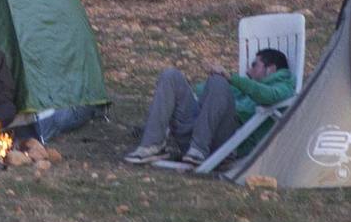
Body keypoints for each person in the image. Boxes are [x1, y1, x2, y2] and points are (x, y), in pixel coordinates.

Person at [123, 48, 294, 167]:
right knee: (171, 76)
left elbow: (267, 96)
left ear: (270, 69)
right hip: (201, 133)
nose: (249, 70)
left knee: (219, 81)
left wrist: (228, 78)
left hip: (227, 143)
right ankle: (151, 145)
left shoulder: (284, 86)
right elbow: (200, 90)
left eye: (254, 65)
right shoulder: (246, 84)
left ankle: (198, 149)